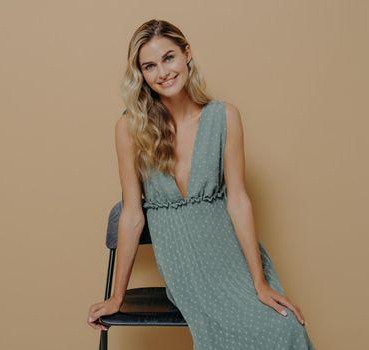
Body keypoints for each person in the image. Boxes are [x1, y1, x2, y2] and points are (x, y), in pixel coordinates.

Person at [88, 19, 316, 349]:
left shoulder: (225, 117)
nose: (163, 72)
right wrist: (116, 296)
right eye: (150, 66)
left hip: (228, 255)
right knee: (252, 331)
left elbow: (238, 202)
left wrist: (260, 282)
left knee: (287, 327)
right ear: (141, 74)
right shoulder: (130, 128)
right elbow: (133, 215)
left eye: (169, 58)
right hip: (184, 260)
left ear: (187, 54)